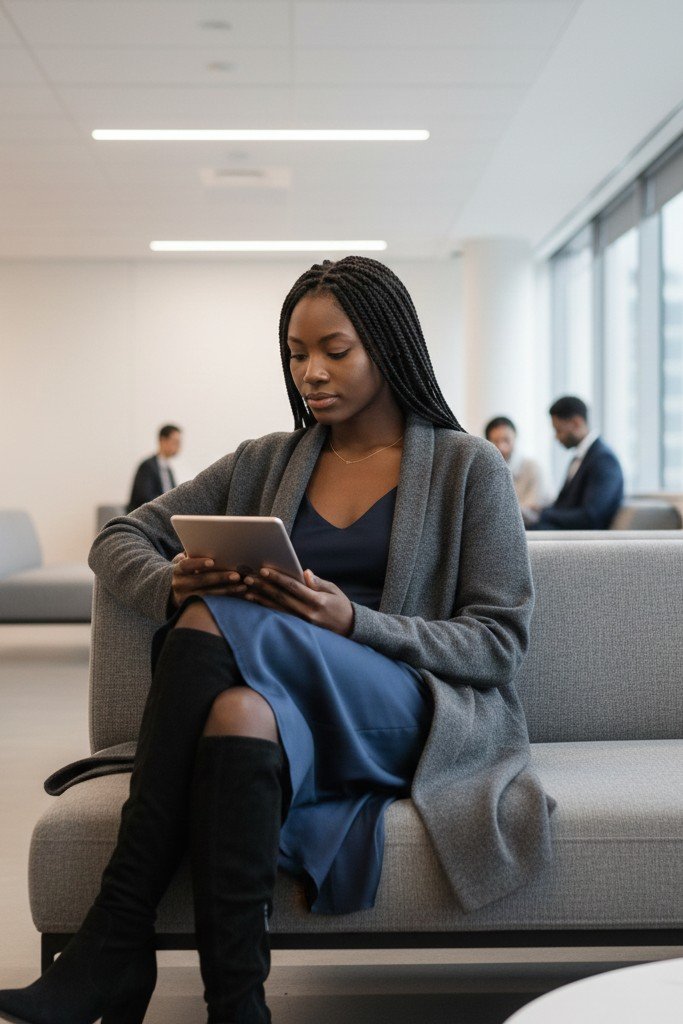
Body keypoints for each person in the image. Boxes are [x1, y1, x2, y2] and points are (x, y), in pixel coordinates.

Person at [0, 257, 554, 1024]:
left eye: (334, 350)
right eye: (295, 354)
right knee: (237, 713)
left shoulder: (468, 467)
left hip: (400, 708)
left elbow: (496, 644)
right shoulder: (266, 460)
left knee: (212, 616)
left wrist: (353, 621)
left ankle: (116, 933)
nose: (310, 372)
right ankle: (238, 1006)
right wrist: (170, 582)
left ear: (388, 346)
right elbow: (118, 538)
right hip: (287, 704)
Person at [527, 395, 624, 530]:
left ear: (576, 423)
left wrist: (543, 515)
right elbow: (566, 505)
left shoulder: (604, 460)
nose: (556, 437)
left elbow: (590, 516)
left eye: (559, 430)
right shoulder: (581, 457)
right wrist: (540, 510)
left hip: (582, 537)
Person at [484, 415, 546, 515]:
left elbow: (534, 508)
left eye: (506, 440)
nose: (501, 447)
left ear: (515, 438)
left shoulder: (532, 467)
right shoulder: (484, 470)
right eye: (495, 441)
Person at [127, 423, 182, 513]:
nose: (178, 446)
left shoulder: (168, 469)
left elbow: (173, 495)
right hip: (145, 515)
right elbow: (145, 498)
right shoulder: (147, 466)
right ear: (162, 440)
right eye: (175, 442)